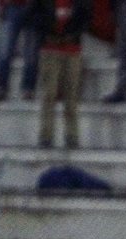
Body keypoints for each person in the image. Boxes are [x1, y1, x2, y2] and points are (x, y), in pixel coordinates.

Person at [33, 0, 92, 149]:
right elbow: (33, 14)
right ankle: (46, 136)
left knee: (71, 95)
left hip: (72, 49)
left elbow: (86, 17)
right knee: (49, 94)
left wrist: (73, 34)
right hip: (49, 48)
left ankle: (72, 136)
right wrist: (46, 32)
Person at [0, 0, 41, 101]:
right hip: (12, 6)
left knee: (31, 54)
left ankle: (28, 89)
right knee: (5, 50)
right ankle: (1, 88)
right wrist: (1, 5)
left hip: (34, 7)